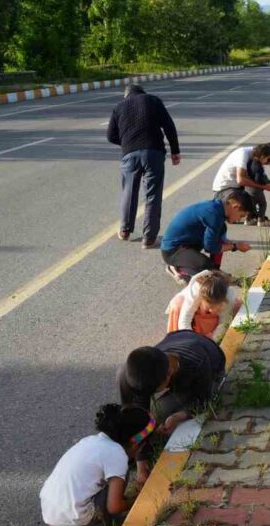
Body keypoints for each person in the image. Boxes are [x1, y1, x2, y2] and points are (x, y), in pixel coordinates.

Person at [40, 403, 153, 526]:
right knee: (120, 476)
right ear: (135, 443)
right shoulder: (117, 455)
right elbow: (114, 507)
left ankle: (59, 524)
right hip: (73, 524)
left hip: (49, 513)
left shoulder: (90, 440)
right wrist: (137, 501)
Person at [117, 330, 226, 477]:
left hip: (212, 367)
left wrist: (178, 416)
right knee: (147, 423)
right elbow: (137, 417)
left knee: (158, 415)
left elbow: (203, 402)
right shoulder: (130, 373)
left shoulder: (197, 363)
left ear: (169, 373)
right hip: (176, 337)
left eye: (155, 391)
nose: (151, 396)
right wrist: (141, 465)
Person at [108, 84, 181, 249]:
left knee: (129, 191)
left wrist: (127, 143)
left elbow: (110, 135)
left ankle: (125, 231)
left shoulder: (119, 107)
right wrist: (175, 151)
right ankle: (149, 238)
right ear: (143, 92)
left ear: (126, 95)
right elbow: (169, 126)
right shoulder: (153, 101)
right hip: (153, 152)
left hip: (129, 155)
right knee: (152, 195)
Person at [160, 190, 255, 284]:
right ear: (235, 207)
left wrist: (230, 244)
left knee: (221, 234)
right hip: (172, 250)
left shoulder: (218, 208)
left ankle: (215, 271)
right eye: (241, 215)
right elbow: (211, 248)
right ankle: (177, 269)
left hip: (187, 244)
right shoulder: (214, 215)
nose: (239, 219)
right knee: (205, 272)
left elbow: (216, 242)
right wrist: (235, 246)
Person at [210, 143, 270, 226]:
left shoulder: (255, 159)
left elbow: (259, 176)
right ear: (263, 155)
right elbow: (241, 180)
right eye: (269, 160)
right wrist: (265, 187)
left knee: (250, 198)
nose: (269, 163)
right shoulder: (243, 155)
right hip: (224, 190)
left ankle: (252, 216)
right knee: (242, 203)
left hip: (237, 188)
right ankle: (227, 215)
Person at [165, 270, 241, 340]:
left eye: (216, 308)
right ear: (202, 299)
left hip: (208, 318)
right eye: (208, 307)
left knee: (238, 305)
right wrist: (190, 339)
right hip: (196, 312)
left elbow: (222, 322)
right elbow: (184, 320)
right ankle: (175, 338)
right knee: (176, 304)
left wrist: (212, 337)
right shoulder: (196, 291)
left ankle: (203, 335)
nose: (211, 310)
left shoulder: (229, 298)